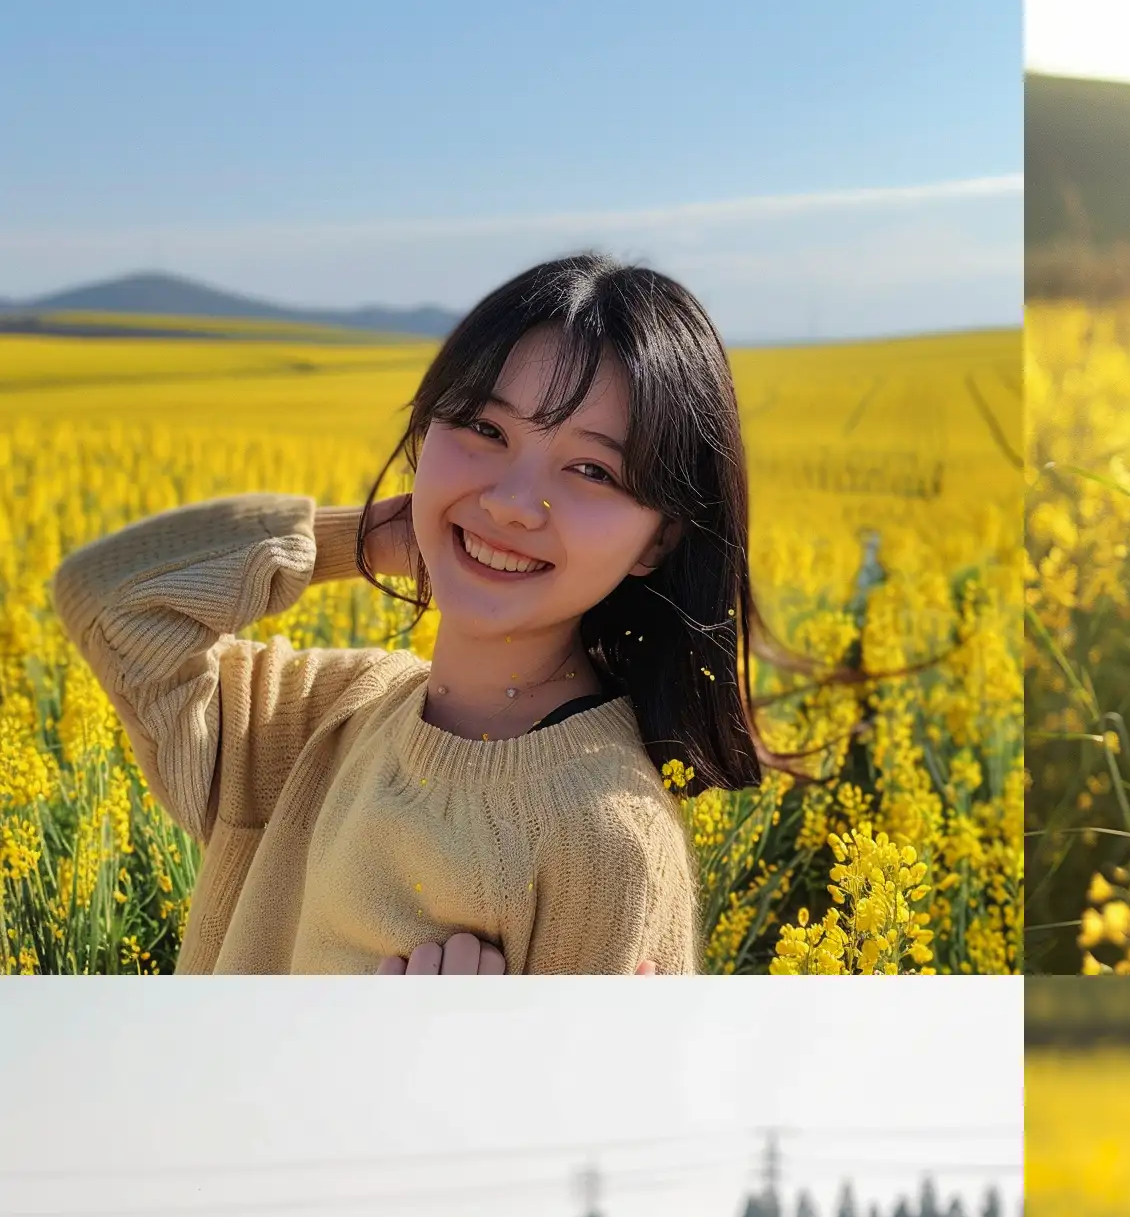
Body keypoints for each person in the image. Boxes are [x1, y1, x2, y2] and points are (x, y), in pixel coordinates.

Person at [50, 253, 768, 974]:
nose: (513, 503)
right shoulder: (322, 717)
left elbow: (584, 1091)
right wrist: (361, 538)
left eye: (592, 471)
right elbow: (109, 597)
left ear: (660, 539)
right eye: (486, 431)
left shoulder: (608, 839)